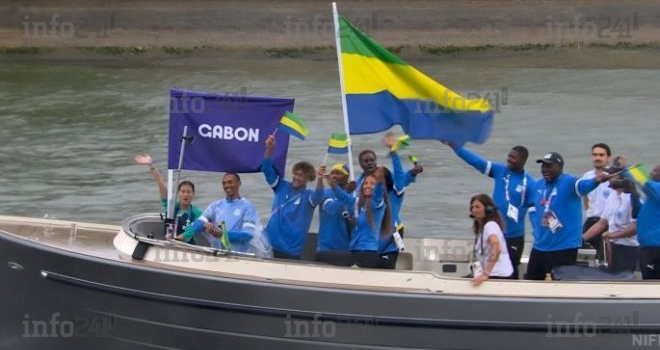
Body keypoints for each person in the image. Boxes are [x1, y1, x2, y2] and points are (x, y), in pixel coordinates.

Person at [445, 142, 535, 279]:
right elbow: (476, 162)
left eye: (513, 158)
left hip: (513, 237)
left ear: (523, 161)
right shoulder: (500, 170)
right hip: (491, 229)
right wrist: (456, 147)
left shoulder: (530, 183)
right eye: (509, 156)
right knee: (483, 264)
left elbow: (536, 210)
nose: (509, 159)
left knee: (509, 272)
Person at [526, 152, 610, 280]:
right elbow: (532, 206)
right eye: (543, 166)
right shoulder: (538, 185)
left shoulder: (570, 182)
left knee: (563, 285)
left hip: (563, 247)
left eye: (549, 166)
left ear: (560, 167)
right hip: (540, 246)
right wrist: (535, 226)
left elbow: (583, 186)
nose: (545, 170)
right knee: (531, 282)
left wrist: (596, 180)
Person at [262, 134, 319, 260]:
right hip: (270, 245)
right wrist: (270, 148)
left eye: (302, 175)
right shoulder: (281, 186)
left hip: (291, 250)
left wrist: (321, 179)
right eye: (296, 174)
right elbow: (266, 168)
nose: (297, 177)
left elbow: (319, 195)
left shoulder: (309, 196)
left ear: (309, 179)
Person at [178, 173, 262, 254]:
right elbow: (200, 222)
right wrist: (183, 236)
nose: (227, 185)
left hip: (239, 256)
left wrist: (223, 234)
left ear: (239, 183)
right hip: (217, 255)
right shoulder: (215, 205)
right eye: (224, 183)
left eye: (230, 182)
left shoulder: (247, 207)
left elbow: (248, 235)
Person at [582, 166, 639, 272]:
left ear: (622, 179)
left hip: (628, 249)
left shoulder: (632, 199)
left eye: (612, 176)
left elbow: (636, 228)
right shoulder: (612, 197)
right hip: (612, 247)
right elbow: (601, 224)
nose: (609, 178)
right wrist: (580, 239)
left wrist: (614, 235)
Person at [379, 134, 423, 269]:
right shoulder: (369, 194)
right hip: (374, 239)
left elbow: (399, 179)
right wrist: (412, 173)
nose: (375, 182)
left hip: (391, 239)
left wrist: (394, 152)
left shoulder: (395, 193)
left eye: (379, 178)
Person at [134, 153, 203, 237]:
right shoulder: (171, 207)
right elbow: (160, 183)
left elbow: (196, 227)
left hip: (187, 246)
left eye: (189, 192)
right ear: (178, 194)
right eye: (183, 191)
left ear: (193, 194)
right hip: (167, 244)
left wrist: (181, 237)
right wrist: (151, 165)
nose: (186, 195)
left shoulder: (197, 213)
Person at [312, 164, 356, 266]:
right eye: (332, 173)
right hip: (326, 248)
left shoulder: (353, 197)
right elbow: (332, 209)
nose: (334, 176)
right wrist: (347, 193)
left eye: (338, 173)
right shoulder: (324, 194)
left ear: (346, 178)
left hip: (347, 248)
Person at [348, 167, 392, 268]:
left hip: (367, 253)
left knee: (322, 255)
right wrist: (333, 185)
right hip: (356, 252)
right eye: (366, 183)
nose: (368, 186)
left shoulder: (376, 204)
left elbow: (378, 194)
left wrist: (380, 181)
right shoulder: (361, 206)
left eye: (372, 183)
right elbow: (344, 197)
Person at [469, 194, 513, 286]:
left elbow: (497, 248)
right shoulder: (482, 228)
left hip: (498, 276)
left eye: (477, 207)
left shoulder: (490, 226)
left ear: (488, 209)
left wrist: (485, 274)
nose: (474, 210)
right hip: (492, 274)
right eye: (472, 207)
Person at [580, 143, 613, 262]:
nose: (597, 158)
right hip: (591, 221)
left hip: (608, 224)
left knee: (604, 259)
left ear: (608, 158)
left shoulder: (613, 177)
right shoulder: (587, 177)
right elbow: (585, 198)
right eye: (594, 155)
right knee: (583, 254)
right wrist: (589, 211)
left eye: (601, 155)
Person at [633, 164, 660, 280]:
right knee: (648, 280)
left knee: (653, 283)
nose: (651, 173)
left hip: (655, 248)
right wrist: (632, 193)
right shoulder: (654, 196)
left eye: (655, 171)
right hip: (647, 247)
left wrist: (629, 168)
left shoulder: (657, 190)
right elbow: (640, 212)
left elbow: (645, 182)